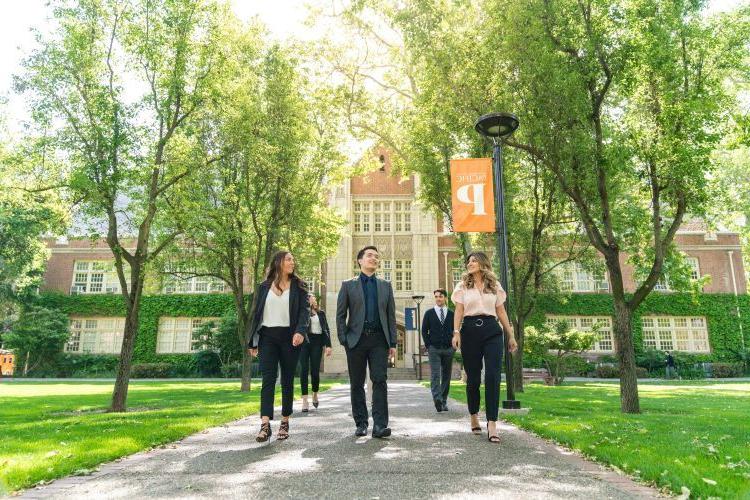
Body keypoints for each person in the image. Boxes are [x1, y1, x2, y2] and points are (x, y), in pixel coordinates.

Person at [452, 251, 518, 444]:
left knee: (493, 376)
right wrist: (456, 332)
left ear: (483, 263)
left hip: (492, 330)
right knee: (473, 378)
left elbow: (501, 310)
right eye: (469, 261)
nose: (470, 263)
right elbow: (459, 310)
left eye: (474, 261)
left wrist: (510, 334)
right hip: (470, 330)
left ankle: (492, 423)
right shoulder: (463, 285)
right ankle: (473, 414)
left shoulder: (494, 285)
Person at [247, 251, 310, 442]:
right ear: (279, 262)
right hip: (267, 337)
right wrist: (252, 341)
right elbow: (256, 315)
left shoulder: (300, 287)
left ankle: (285, 421)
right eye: (289, 259)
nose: (293, 262)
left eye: (293, 259)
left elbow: (304, 312)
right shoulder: (263, 287)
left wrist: (300, 331)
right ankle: (265, 425)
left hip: (290, 338)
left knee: (287, 380)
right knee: (268, 379)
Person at [336, 245, 397, 438]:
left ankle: (379, 425)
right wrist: (344, 339)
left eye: (377, 257)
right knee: (357, 382)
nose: (374, 259)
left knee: (380, 380)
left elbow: (390, 317)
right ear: (360, 261)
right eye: (369, 256)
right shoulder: (348, 285)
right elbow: (340, 315)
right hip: (356, 340)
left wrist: (393, 343)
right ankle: (361, 423)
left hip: (379, 340)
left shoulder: (385, 286)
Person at [421, 289, 455, 412]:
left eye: (440, 296)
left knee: (446, 375)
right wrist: (428, 345)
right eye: (436, 297)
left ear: (445, 298)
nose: (438, 299)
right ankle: (437, 399)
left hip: (448, 349)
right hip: (434, 349)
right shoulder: (429, 313)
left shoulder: (452, 314)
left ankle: (443, 401)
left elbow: (455, 330)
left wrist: (454, 346)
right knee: (435, 374)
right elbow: (424, 330)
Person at [300, 294, 332, 412]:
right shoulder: (303, 312)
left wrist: (328, 345)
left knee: (315, 370)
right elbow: (302, 324)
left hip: (317, 342)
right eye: (308, 298)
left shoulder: (321, 313)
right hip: (304, 342)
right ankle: (304, 400)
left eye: (312, 298)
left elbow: (326, 329)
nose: (311, 299)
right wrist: (307, 308)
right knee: (304, 370)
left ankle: (315, 393)